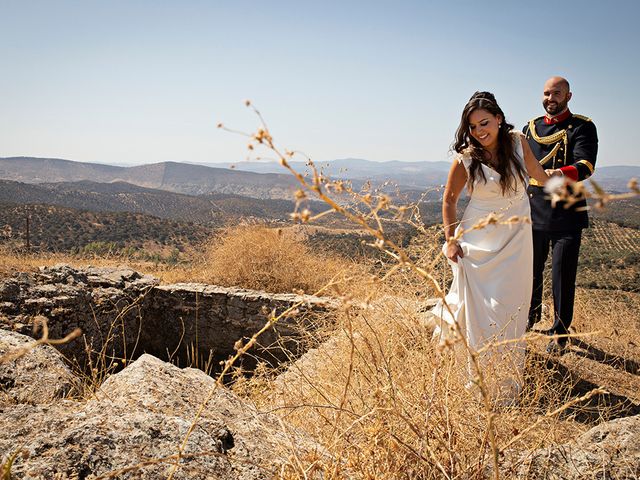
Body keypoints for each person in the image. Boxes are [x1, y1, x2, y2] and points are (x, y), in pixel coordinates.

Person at [432, 91, 550, 401]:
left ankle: (507, 383)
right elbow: (449, 200)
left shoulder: (516, 142)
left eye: (484, 122)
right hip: (480, 242)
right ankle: (480, 385)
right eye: (472, 126)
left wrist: (564, 183)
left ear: (498, 119)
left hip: (517, 238)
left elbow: (538, 174)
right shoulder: (466, 158)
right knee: (483, 313)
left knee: (513, 306)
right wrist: (451, 240)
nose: (479, 131)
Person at [524, 77, 598, 354]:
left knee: (562, 274)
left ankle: (560, 332)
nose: (550, 98)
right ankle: (529, 319)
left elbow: (586, 165)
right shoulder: (530, 128)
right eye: (546, 93)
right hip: (534, 208)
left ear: (568, 96)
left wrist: (558, 174)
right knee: (530, 270)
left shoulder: (582, 126)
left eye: (556, 93)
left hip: (566, 211)